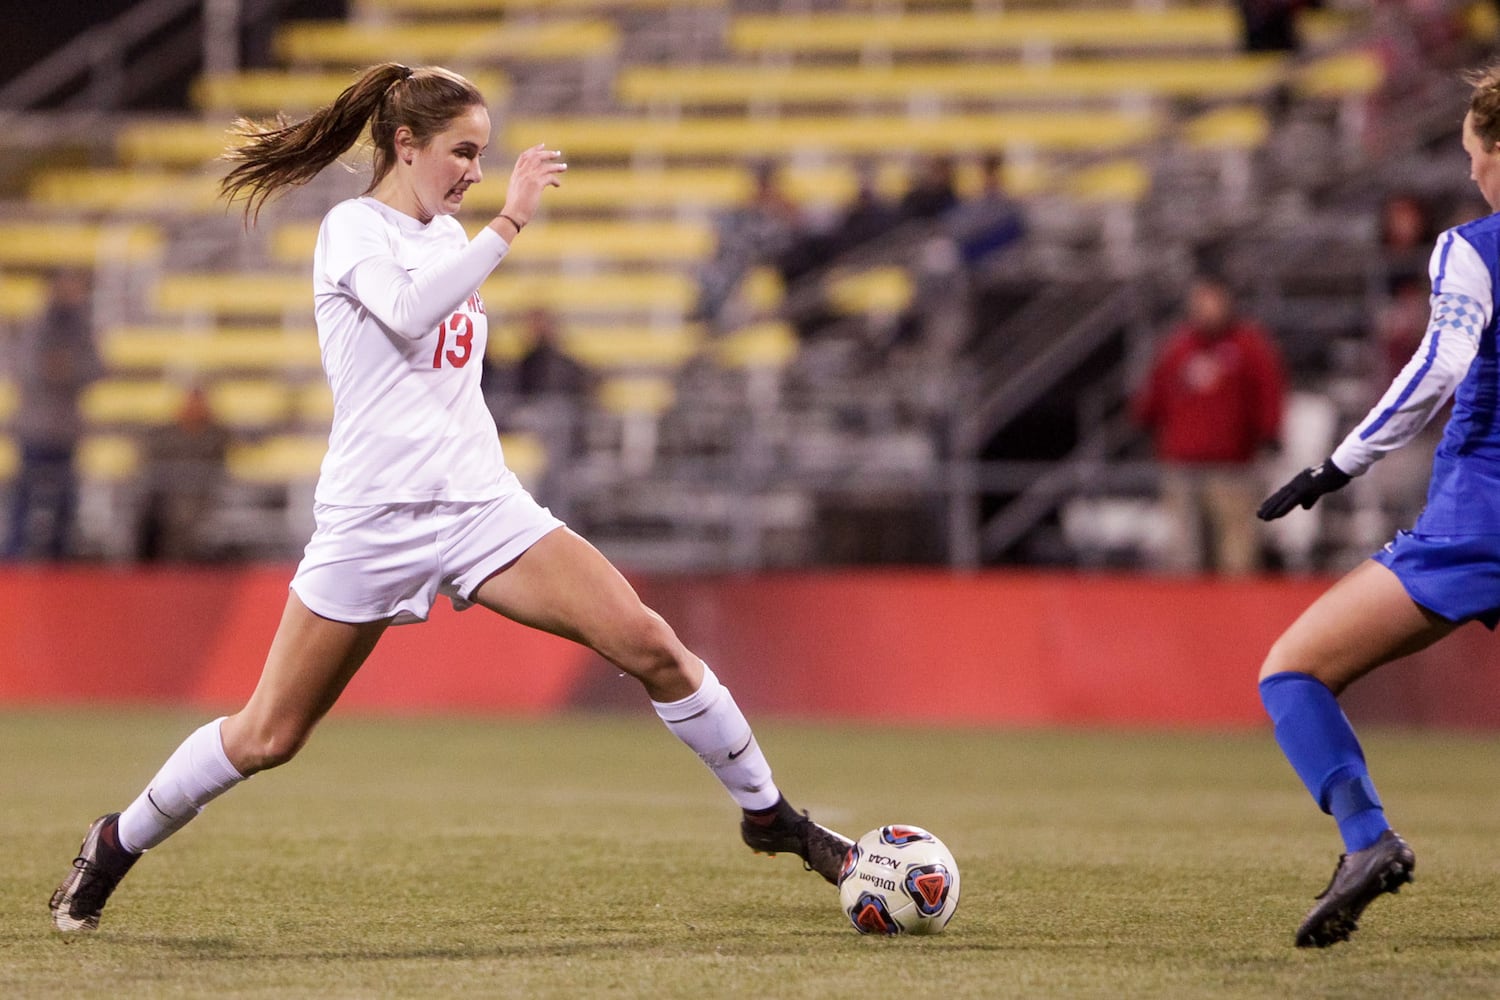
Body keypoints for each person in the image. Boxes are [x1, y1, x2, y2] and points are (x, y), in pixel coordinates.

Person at [49, 62, 851, 935]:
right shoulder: (353, 229)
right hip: (372, 520)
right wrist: (510, 220)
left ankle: (773, 818)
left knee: (650, 643)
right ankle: (116, 841)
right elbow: (402, 314)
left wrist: (488, 231)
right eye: (462, 151)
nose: (474, 170)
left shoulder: (450, 237)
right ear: (405, 143)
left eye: (483, 155)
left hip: (479, 507)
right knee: (268, 737)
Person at [1254, 63, 1500, 949]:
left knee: (1292, 671)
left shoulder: (1474, 247)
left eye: (1474, 154)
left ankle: (1366, 840)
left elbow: (1441, 365)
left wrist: (1338, 465)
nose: (1471, 171)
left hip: (1481, 524)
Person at [1133, 274, 1287, 575]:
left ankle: (1238, 618)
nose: (1207, 308)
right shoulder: (1177, 347)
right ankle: (1184, 620)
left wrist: (1270, 433)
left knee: (1236, 557)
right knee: (1182, 557)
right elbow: (1153, 395)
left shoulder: (1249, 346)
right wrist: (1145, 420)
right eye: (1201, 300)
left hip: (1234, 467)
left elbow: (1269, 392)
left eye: (1213, 299)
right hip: (1183, 465)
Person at [4, 270, 100, 561]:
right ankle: (14, 554)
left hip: (66, 430)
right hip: (34, 427)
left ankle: (60, 557)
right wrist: (58, 371)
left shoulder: (81, 328)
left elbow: (96, 368)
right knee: (24, 494)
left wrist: (65, 370)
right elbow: (25, 368)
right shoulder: (37, 325)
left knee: (66, 498)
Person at [136, 384, 230, 562]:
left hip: (205, 496)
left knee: (186, 515)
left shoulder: (216, 434)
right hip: (167, 497)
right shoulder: (166, 434)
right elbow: (150, 461)